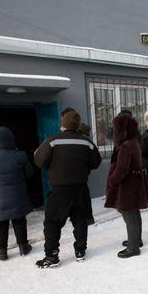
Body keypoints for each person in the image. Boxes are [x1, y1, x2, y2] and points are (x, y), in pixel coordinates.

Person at [34, 111, 102, 268]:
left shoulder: (53, 141)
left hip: (59, 190)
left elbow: (39, 160)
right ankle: (80, 251)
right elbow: (96, 162)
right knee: (80, 221)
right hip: (80, 189)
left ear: (62, 124)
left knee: (52, 223)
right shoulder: (87, 143)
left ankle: (51, 256)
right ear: (78, 125)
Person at [0, 127, 33, 261]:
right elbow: (30, 173)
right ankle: (23, 247)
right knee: (19, 220)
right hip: (18, 195)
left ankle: (1, 252)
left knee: (0, 223)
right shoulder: (21, 155)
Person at [105, 114, 148, 258]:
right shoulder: (134, 141)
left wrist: (111, 181)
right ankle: (136, 240)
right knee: (134, 213)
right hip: (135, 183)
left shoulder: (125, 146)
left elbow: (121, 170)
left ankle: (133, 248)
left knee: (129, 215)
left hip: (127, 186)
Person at [62, 108, 95, 225]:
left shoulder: (79, 130)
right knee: (78, 194)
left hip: (80, 166)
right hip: (75, 167)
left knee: (82, 194)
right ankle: (78, 216)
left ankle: (87, 217)